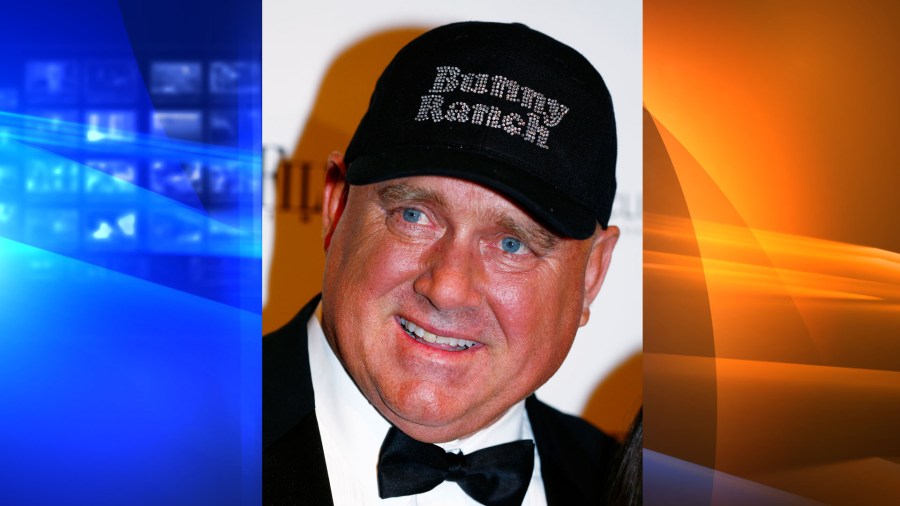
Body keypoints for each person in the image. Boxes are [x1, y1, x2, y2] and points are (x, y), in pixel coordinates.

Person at [263, 21, 622, 505]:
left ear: (592, 275)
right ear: (335, 206)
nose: (448, 287)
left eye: (512, 244)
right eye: (414, 215)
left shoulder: (624, 486)